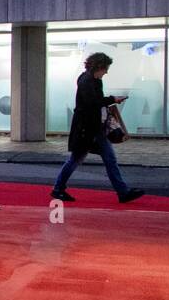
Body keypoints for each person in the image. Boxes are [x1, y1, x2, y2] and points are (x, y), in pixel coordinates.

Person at [51, 52, 145, 204]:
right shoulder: (88, 81)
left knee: (93, 159)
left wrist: (110, 101)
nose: (106, 72)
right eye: (106, 68)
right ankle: (58, 188)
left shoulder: (90, 80)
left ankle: (123, 192)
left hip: (91, 128)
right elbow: (93, 102)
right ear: (99, 67)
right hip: (87, 129)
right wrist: (112, 99)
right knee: (81, 159)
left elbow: (95, 102)